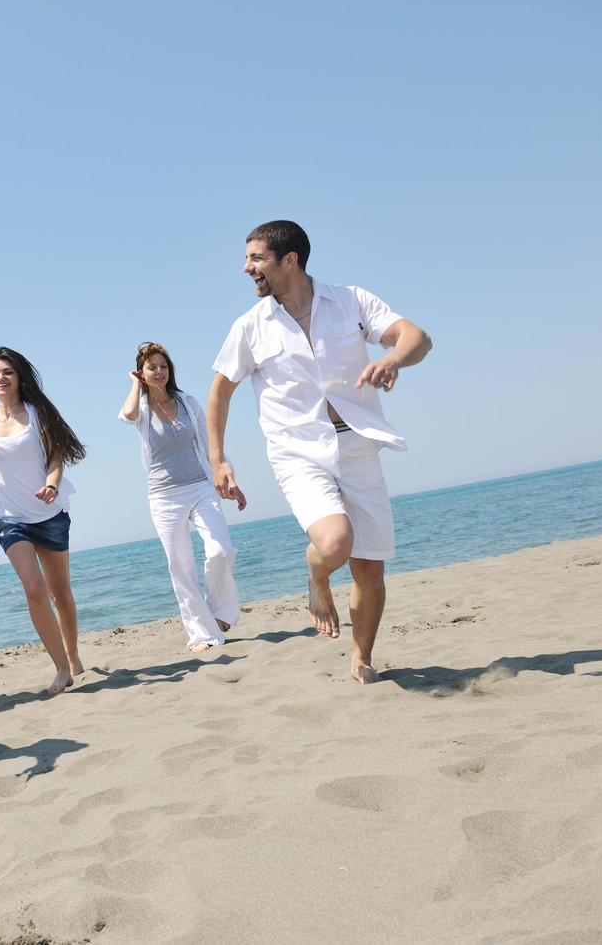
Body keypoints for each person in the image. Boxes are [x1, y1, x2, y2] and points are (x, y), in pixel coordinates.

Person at [207, 221, 432, 684]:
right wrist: (218, 458)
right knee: (334, 543)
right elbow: (219, 394)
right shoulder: (250, 327)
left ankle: (361, 658)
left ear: (289, 260)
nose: (246, 267)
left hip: (358, 443)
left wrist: (390, 358)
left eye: (255, 258)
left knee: (370, 569)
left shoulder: (350, 301)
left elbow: (416, 338)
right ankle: (316, 572)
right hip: (297, 452)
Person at [0, 347, 86, 696]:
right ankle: (61, 668)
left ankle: (72, 655)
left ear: (19, 378)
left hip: (48, 513)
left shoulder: (37, 413)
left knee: (61, 592)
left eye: (7, 372)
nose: (0, 378)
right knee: (35, 588)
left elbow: (57, 458)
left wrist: (51, 484)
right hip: (7, 517)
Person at [120, 342, 244, 653]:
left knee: (220, 550)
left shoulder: (188, 402)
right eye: (151, 367)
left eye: (163, 366)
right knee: (181, 566)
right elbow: (127, 413)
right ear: (141, 372)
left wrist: (229, 479)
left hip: (200, 486)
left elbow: (210, 444)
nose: (158, 372)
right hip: (164, 496)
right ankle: (202, 634)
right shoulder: (142, 409)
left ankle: (220, 613)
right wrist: (135, 386)